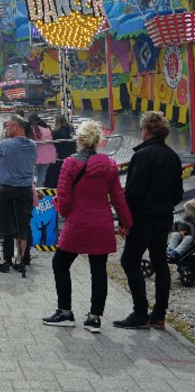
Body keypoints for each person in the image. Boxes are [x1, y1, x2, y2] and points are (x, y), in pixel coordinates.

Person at [42, 120, 133, 333]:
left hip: (77, 223)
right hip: (102, 224)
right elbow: (118, 198)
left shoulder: (70, 164)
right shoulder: (109, 165)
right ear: (98, 141)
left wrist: (60, 208)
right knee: (98, 269)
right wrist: (126, 223)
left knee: (61, 264)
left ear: (80, 140)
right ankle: (94, 317)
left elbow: (64, 200)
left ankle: (65, 312)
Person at [115, 111, 184, 329]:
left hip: (142, 218)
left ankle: (140, 312)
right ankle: (159, 315)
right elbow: (178, 193)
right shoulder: (172, 156)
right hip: (163, 217)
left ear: (146, 131)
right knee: (160, 263)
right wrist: (164, 205)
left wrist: (124, 220)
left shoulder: (142, 156)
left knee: (129, 261)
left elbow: (133, 192)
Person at [0, 114, 37, 275]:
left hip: (7, 189)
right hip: (25, 190)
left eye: (8, 127)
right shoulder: (32, 145)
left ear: (16, 127)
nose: (6, 129)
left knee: (3, 222)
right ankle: (21, 260)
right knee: (23, 225)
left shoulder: (5, 144)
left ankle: (6, 259)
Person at [44, 114, 76, 189]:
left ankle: (51, 187)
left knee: (53, 173)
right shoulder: (70, 129)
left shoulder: (58, 131)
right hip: (71, 153)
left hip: (61, 155)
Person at [28, 114, 57, 187]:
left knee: (30, 172)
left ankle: (32, 189)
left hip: (37, 154)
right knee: (42, 174)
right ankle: (40, 189)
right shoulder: (48, 129)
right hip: (49, 154)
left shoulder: (34, 129)